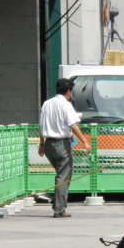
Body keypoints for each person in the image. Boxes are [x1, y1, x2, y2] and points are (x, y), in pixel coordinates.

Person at [38, 78, 91, 217]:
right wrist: (85, 141)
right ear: (69, 91)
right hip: (61, 144)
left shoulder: (47, 104)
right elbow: (73, 124)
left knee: (61, 174)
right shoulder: (65, 105)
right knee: (63, 177)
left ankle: (57, 203)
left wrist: (42, 144)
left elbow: (42, 125)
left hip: (49, 144)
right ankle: (59, 209)